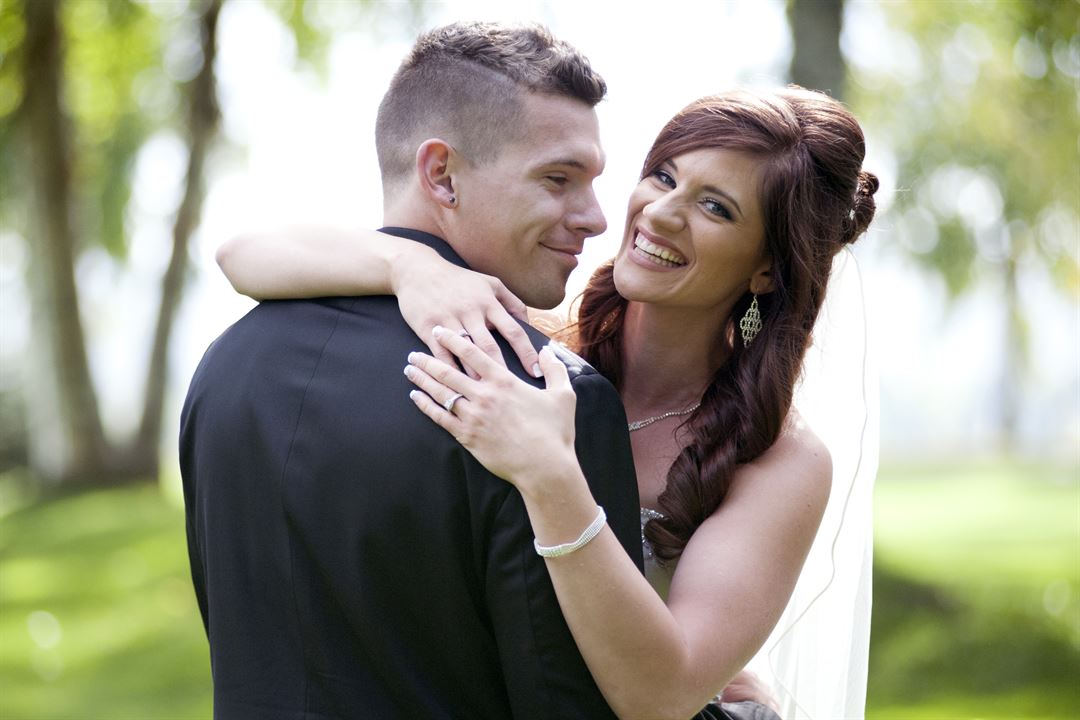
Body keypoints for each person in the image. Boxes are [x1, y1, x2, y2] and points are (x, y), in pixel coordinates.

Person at [218, 87, 879, 719]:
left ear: (766, 268)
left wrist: (549, 474)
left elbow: (665, 695)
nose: (660, 213)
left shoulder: (780, 460)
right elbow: (242, 256)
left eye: (716, 207)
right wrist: (408, 267)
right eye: (664, 176)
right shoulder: (528, 335)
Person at [181, 21, 648, 719]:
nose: (594, 218)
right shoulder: (541, 394)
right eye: (558, 179)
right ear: (442, 175)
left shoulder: (227, 364)